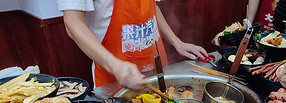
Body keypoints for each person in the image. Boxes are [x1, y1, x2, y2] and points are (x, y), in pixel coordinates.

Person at [57, 0, 208, 91]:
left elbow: (151, 5)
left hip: (157, 68)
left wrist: (177, 42)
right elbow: (72, 22)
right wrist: (115, 67)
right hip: (114, 77)